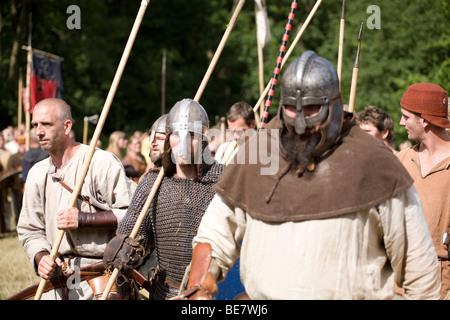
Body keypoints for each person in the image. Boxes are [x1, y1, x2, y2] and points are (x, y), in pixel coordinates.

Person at [181, 51, 441, 300]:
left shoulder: (374, 161)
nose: (301, 122)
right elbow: (216, 232)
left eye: (312, 108)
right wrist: (199, 282)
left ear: (335, 105)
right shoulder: (260, 150)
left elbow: (419, 269)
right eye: (293, 109)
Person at [103, 98, 224, 300]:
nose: (184, 142)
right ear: (169, 138)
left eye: (191, 135)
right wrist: (125, 249)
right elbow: (132, 236)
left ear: (204, 137)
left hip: (212, 293)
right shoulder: (152, 184)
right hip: (166, 293)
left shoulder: (223, 181)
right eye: (177, 134)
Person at [16, 98, 136, 300]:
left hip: (101, 275)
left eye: (46, 124)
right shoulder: (38, 173)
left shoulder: (100, 162)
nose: (38, 131)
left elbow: (134, 216)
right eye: (35, 125)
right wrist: (41, 257)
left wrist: (83, 219)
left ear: (67, 126)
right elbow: (30, 230)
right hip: (57, 280)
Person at [396, 82, 450, 299]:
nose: (401, 122)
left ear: (424, 120)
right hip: (398, 285)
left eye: (406, 117)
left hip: (440, 288)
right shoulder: (402, 160)